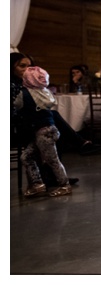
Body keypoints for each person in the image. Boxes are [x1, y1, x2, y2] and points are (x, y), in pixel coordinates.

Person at [14, 65, 72, 197]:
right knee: (26, 157)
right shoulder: (45, 92)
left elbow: (16, 106)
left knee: (52, 160)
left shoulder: (24, 94)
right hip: (49, 130)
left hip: (42, 132)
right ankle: (37, 183)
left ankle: (64, 185)